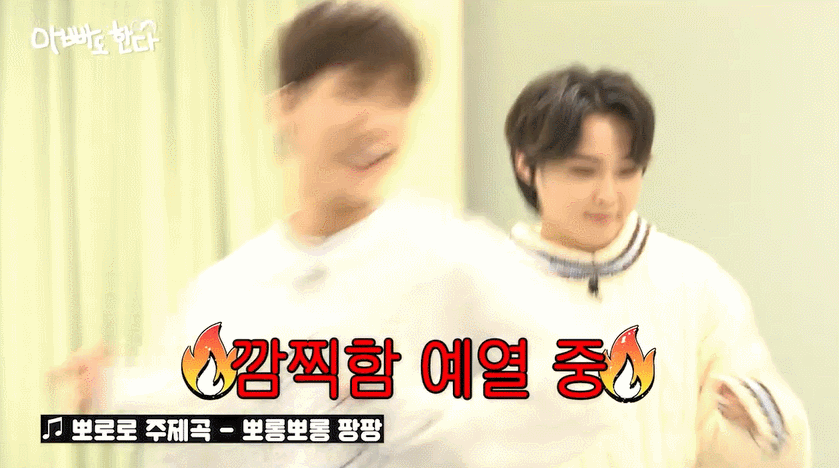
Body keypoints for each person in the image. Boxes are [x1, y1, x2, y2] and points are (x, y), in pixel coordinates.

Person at [49, 4, 629, 467]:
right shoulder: (227, 292)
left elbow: (590, 383)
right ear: (286, 106)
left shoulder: (449, 256)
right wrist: (117, 393)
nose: (379, 122)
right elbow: (206, 419)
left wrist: (425, 427)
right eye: (356, 90)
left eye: (397, 98)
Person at [504, 65, 811, 467]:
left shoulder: (693, 286)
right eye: (583, 171)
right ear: (525, 165)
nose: (607, 195)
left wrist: (754, 423)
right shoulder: (487, 289)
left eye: (627, 171)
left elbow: (769, 436)